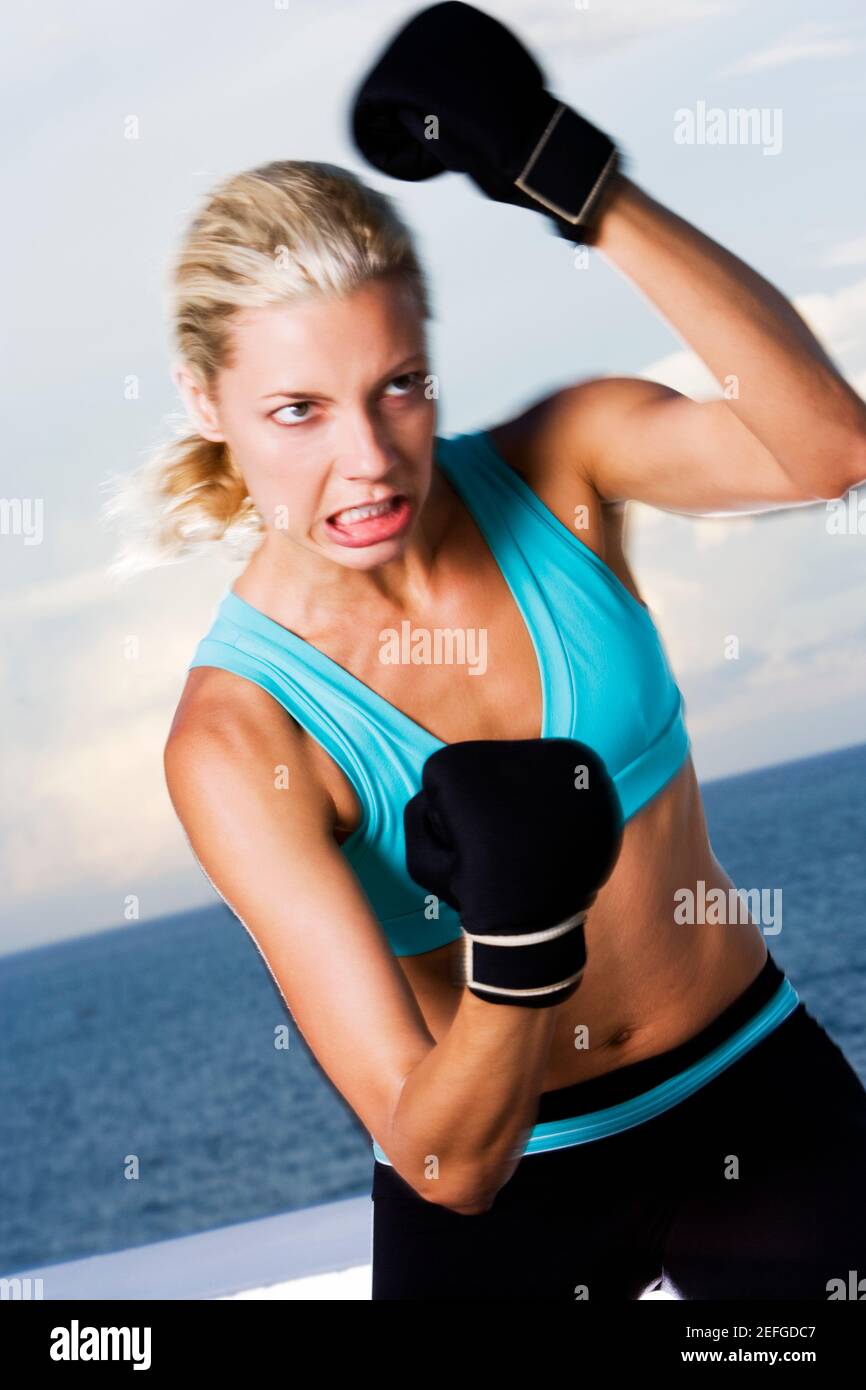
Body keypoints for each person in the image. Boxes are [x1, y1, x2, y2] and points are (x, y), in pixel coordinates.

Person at [108, 142, 866, 1299]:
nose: (366, 461)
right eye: (297, 411)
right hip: (512, 1182)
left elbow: (830, 451)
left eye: (397, 386)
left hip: (749, 1089)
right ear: (205, 400)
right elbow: (440, 1160)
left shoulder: (561, 462)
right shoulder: (238, 739)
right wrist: (517, 953)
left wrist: (584, 188)